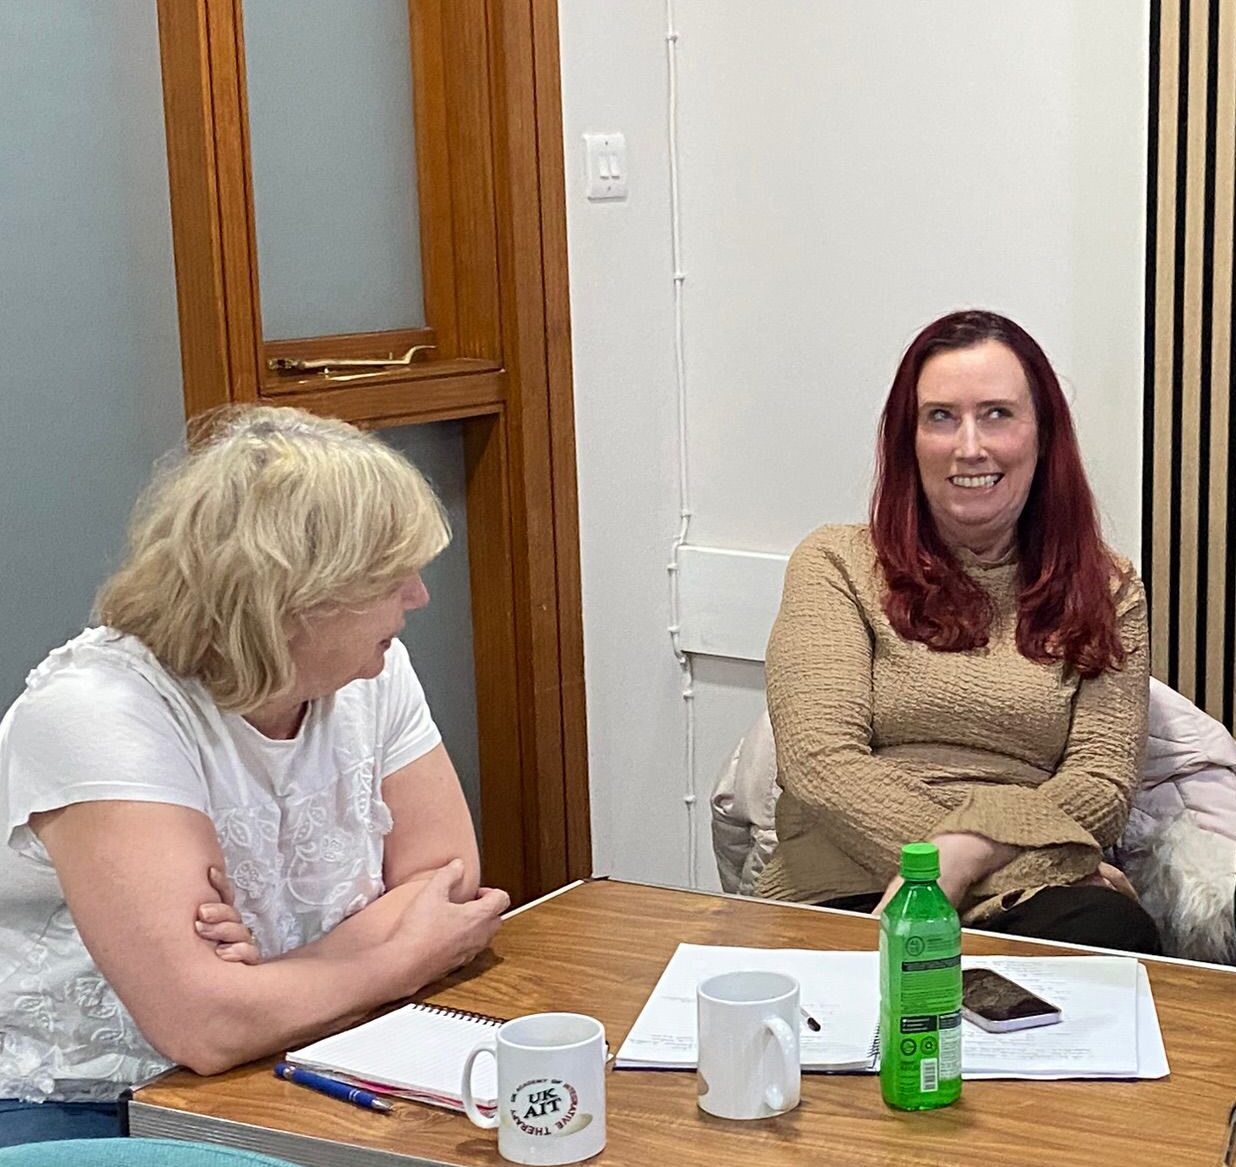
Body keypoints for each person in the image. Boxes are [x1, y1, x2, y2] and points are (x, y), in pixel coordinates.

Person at [0, 406, 509, 1146]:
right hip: (81, 1104)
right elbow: (202, 1026)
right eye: (389, 576)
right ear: (296, 597)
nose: (419, 597)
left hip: (293, 1061)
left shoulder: (370, 669)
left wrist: (268, 980)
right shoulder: (96, 710)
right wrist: (398, 956)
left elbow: (448, 884)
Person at [756, 309, 1160, 955]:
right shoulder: (834, 564)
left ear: (1042, 435)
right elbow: (821, 766)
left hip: (1032, 909)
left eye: (997, 413)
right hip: (850, 890)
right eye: (941, 416)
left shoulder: (1109, 589)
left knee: (1118, 939)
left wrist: (967, 854)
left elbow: (1101, 784)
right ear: (908, 440)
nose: (969, 446)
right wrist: (1023, 858)